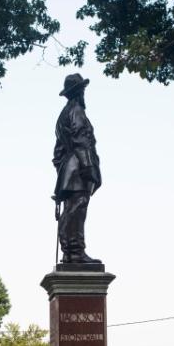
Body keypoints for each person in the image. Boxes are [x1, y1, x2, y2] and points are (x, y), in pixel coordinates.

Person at [53, 73, 102, 264]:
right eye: (82, 90)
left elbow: (57, 153)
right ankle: (76, 253)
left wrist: (62, 173)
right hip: (79, 169)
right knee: (77, 209)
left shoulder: (63, 115)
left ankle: (71, 252)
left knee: (72, 209)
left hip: (70, 169)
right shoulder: (76, 111)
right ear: (78, 92)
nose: (84, 93)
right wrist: (89, 167)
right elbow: (82, 141)